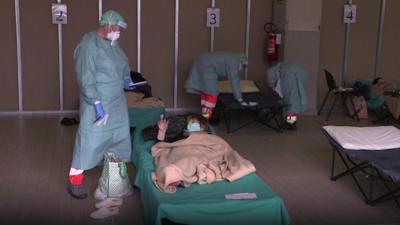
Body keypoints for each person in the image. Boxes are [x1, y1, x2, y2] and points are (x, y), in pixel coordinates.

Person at [68, 10, 136, 199]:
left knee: (118, 138)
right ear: (106, 25)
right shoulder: (88, 45)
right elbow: (85, 75)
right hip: (97, 101)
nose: (118, 32)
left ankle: (115, 180)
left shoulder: (112, 44)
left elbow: (122, 64)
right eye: (116, 28)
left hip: (116, 102)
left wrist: (126, 79)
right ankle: (75, 182)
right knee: (90, 140)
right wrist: (95, 102)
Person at [184, 52, 257, 120]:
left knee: (205, 90)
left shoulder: (231, 57)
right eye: (243, 66)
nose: (241, 69)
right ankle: (205, 119)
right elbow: (234, 80)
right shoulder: (234, 61)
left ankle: (204, 115)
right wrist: (239, 98)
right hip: (207, 66)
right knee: (212, 93)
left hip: (200, 61)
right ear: (242, 62)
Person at [267, 62, 309, 129]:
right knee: (295, 100)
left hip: (293, 76)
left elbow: (271, 82)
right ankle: (291, 121)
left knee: (292, 102)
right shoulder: (281, 67)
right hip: (303, 74)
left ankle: (291, 124)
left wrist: (272, 85)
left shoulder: (271, 71)